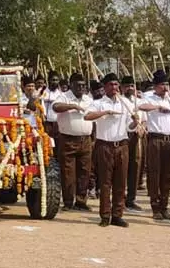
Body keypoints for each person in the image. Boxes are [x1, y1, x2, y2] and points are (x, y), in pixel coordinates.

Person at [85, 73, 139, 228]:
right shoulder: (99, 103)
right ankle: (105, 214)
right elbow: (87, 116)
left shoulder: (125, 103)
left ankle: (117, 215)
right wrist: (106, 112)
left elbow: (130, 126)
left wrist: (135, 122)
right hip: (104, 145)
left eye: (116, 85)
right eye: (111, 85)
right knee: (105, 182)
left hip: (122, 145)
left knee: (121, 182)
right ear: (105, 87)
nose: (114, 88)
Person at [138, 70, 170, 220]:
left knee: (167, 173)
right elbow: (141, 107)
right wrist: (158, 107)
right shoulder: (149, 97)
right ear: (156, 86)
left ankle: (164, 206)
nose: (165, 88)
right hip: (156, 140)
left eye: (166, 84)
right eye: (162, 85)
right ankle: (155, 206)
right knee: (154, 173)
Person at [52, 72, 93, 211]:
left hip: (86, 140)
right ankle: (68, 202)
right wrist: (72, 106)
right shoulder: (64, 96)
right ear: (71, 86)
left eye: (83, 85)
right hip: (68, 139)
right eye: (78, 85)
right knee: (68, 172)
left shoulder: (88, 99)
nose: (81, 88)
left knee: (85, 172)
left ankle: (81, 201)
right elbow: (55, 107)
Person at [121, 75, 146, 212]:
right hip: (124, 137)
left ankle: (131, 199)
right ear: (122, 87)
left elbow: (144, 119)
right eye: (127, 86)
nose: (130, 88)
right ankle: (121, 198)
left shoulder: (139, 102)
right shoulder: (120, 101)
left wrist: (142, 127)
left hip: (137, 137)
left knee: (135, 167)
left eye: (132, 86)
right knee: (123, 168)